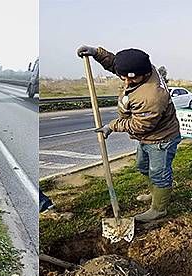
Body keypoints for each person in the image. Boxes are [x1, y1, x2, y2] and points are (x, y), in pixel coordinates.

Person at [77, 45, 181, 223]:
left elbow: (140, 125)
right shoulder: (140, 67)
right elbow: (116, 63)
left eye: (130, 79)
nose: (125, 82)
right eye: (123, 77)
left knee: (159, 173)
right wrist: (96, 53)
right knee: (142, 166)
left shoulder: (152, 96)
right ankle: (155, 192)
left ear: (144, 74)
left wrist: (112, 126)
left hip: (160, 138)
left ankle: (159, 209)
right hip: (146, 138)